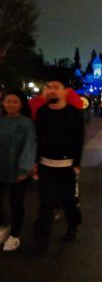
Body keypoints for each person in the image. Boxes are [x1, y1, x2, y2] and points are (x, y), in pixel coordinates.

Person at [33, 75, 85, 251]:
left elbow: (78, 139)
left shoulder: (73, 113)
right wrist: (35, 163)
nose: (51, 89)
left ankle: (72, 226)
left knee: (68, 201)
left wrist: (76, 163)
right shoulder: (42, 112)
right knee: (47, 202)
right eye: (48, 86)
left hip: (66, 166)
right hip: (45, 165)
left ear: (64, 91)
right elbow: (38, 139)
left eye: (55, 86)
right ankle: (42, 238)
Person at [0, 90, 37, 251]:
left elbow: (29, 146)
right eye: (7, 101)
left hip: (18, 169)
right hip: (1, 167)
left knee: (16, 202)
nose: (10, 104)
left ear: (21, 104)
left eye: (14, 101)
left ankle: (14, 236)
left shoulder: (27, 123)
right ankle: (4, 224)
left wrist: (24, 170)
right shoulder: (1, 121)